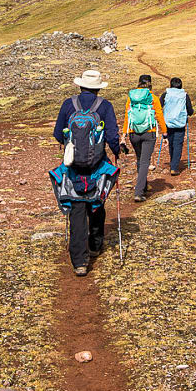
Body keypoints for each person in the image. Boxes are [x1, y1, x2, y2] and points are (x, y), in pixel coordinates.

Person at [51, 70, 121, 276]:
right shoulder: (105, 106)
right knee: (97, 201)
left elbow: (57, 133)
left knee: (77, 209)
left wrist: (70, 146)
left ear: (80, 86)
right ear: (98, 87)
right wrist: (116, 151)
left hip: (72, 167)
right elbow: (111, 135)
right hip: (97, 166)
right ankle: (95, 244)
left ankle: (79, 261)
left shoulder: (68, 104)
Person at [121, 74, 167, 202]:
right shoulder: (153, 98)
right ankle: (139, 191)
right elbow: (159, 115)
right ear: (150, 83)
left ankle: (144, 186)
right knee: (145, 162)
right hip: (149, 132)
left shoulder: (131, 98)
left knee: (140, 159)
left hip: (133, 132)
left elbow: (127, 116)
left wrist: (124, 134)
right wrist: (164, 132)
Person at [160, 77, 194, 176]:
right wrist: (191, 112)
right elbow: (190, 110)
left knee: (170, 143)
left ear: (171, 85)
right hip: (180, 123)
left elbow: (159, 105)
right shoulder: (184, 95)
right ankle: (174, 167)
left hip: (168, 123)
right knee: (178, 144)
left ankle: (173, 163)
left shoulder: (166, 94)